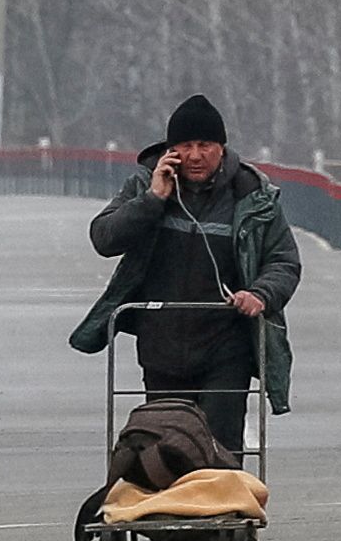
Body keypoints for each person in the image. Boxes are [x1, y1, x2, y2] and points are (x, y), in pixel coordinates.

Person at [71, 91, 300, 459]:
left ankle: (223, 510)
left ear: (222, 148)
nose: (195, 155)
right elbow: (104, 238)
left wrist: (260, 294)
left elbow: (284, 261)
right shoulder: (145, 184)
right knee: (167, 450)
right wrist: (153, 199)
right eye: (185, 145)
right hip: (161, 345)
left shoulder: (253, 195)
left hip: (227, 345)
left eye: (205, 145)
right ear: (170, 150)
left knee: (220, 450)